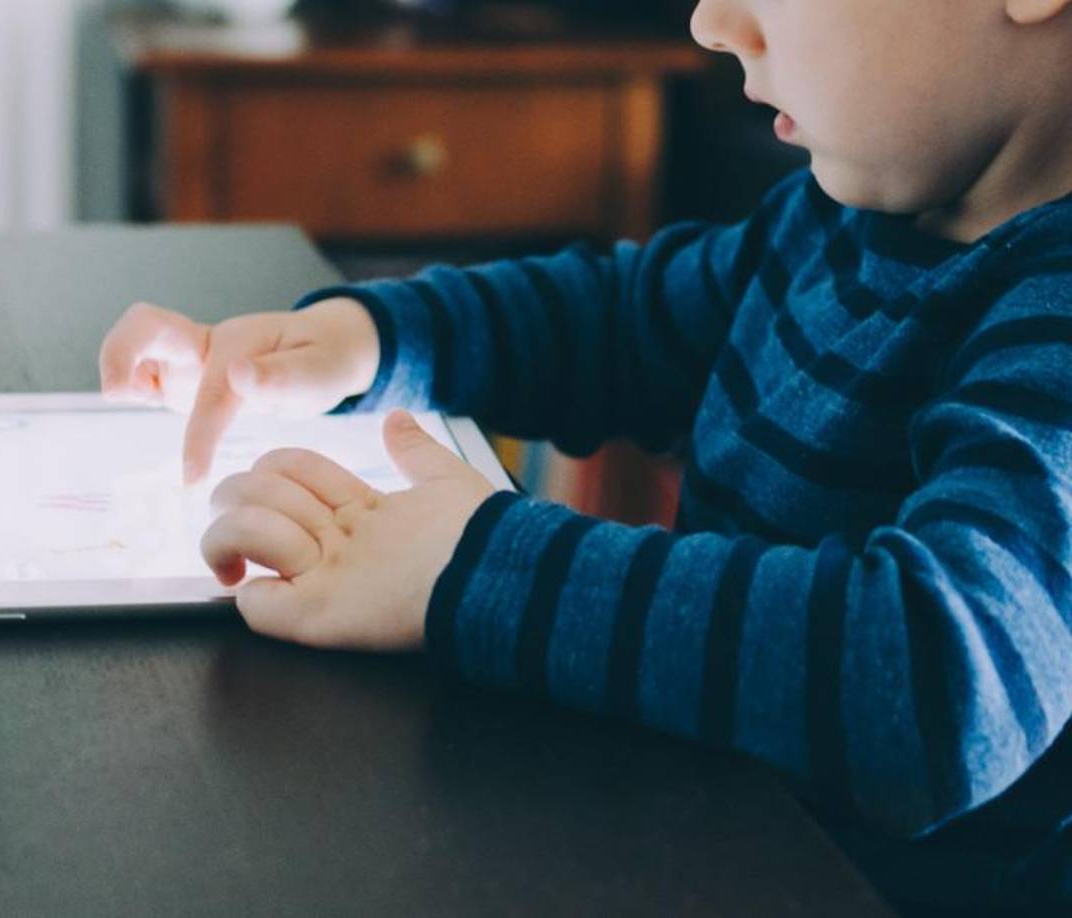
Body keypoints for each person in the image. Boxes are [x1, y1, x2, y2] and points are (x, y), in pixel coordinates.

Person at [99, 0, 1072, 911]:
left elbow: (938, 683)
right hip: (710, 835)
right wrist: (370, 339)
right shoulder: (849, 217)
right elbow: (621, 322)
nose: (711, 22)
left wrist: (468, 562)